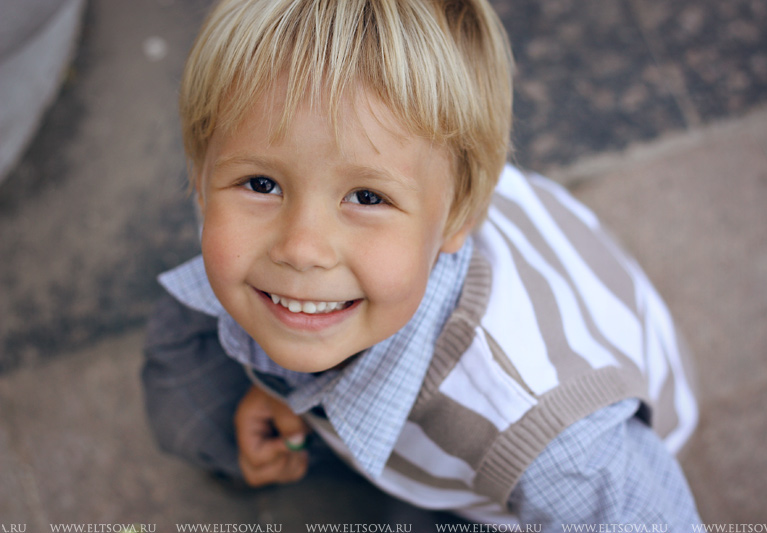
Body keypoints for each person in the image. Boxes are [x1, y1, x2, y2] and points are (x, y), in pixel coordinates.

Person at [142, 0, 702, 528]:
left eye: (366, 197)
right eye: (262, 184)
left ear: (459, 218)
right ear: (200, 177)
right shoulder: (382, 178)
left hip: (551, 436)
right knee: (181, 378)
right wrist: (276, 386)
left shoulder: (555, 445)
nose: (301, 248)